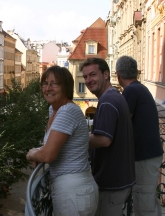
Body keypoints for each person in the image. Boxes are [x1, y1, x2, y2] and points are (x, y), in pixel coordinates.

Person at [26, 65, 98, 216]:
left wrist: (32, 154)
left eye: (54, 83)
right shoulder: (54, 110)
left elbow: (47, 155)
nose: (48, 88)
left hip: (73, 190)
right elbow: (51, 145)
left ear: (65, 87)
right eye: (45, 83)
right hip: (70, 189)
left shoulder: (67, 111)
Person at [81, 57, 135, 216]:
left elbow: (104, 139)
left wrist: (75, 140)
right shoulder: (115, 96)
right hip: (119, 180)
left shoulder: (107, 101)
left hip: (111, 182)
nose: (88, 80)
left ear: (106, 74)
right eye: (85, 77)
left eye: (92, 75)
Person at [116, 55, 163, 216]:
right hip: (150, 154)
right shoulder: (140, 88)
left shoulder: (131, 91)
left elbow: (122, 122)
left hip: (144, 156)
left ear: (118, 75)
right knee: (148, 198)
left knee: (143, 201)